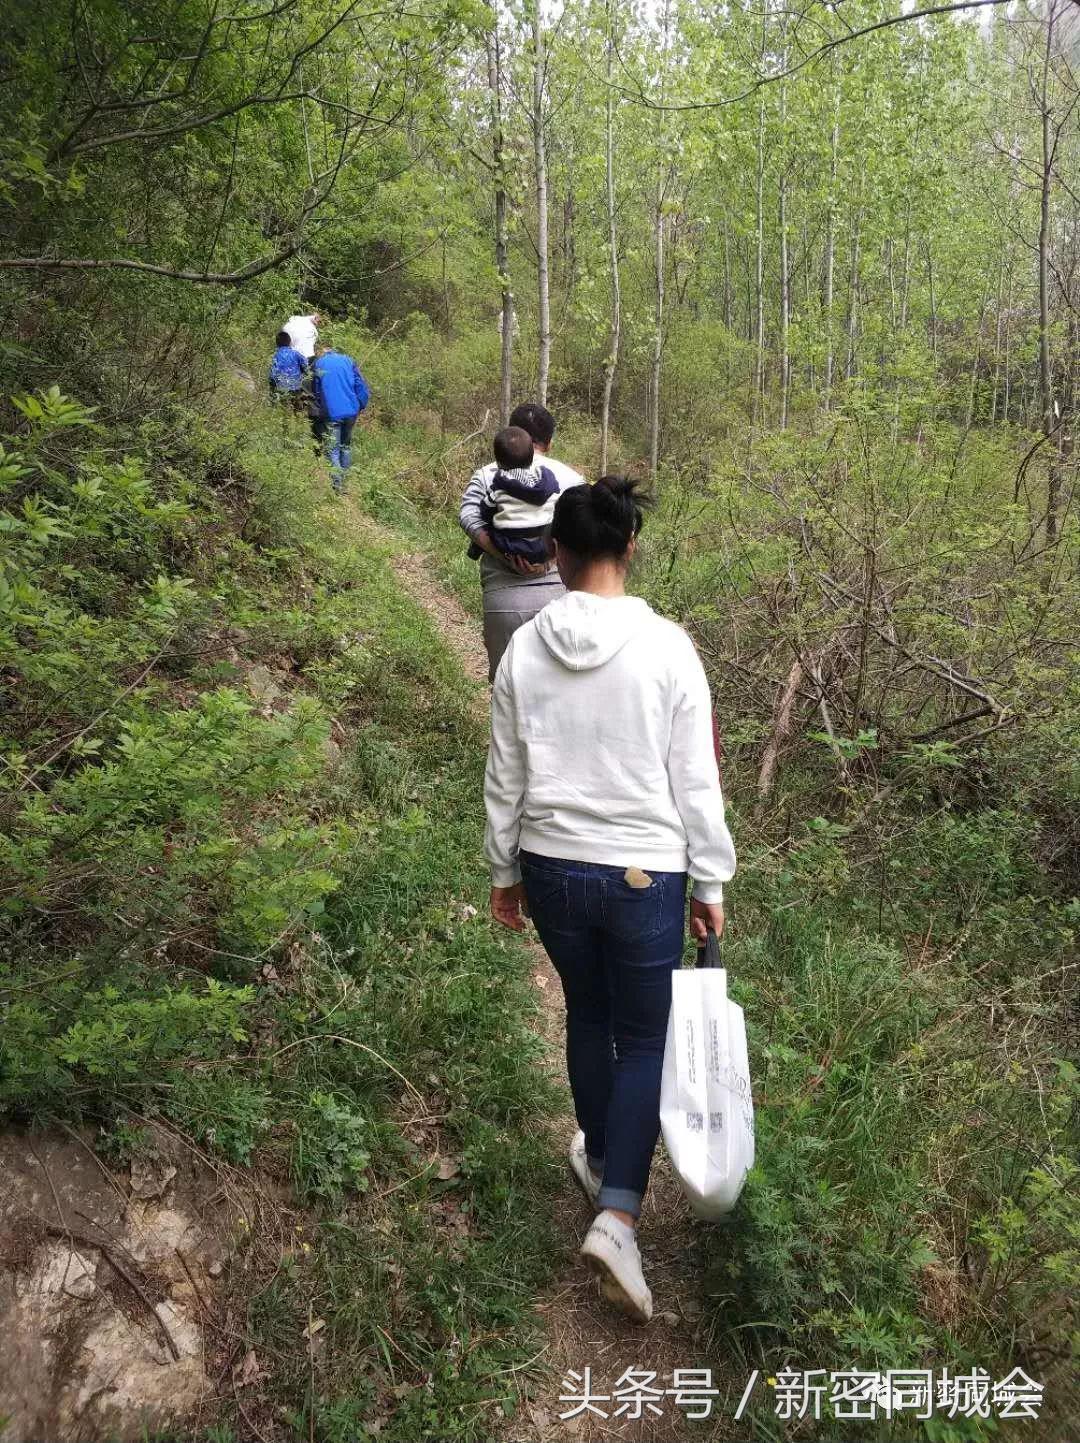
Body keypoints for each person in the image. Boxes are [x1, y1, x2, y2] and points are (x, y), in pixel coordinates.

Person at [483, 477, 736, 1324]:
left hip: (552, 865)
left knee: (588, 1014)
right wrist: (710, 878)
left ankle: (599, 1153)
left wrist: (502, 869)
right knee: (645, 1034)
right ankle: (619, 1213)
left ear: (554, 553)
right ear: (629, 547)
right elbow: (694, 778)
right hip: (643, 873)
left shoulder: (522, 648)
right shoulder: (668, 646)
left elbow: (505, 770)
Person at [459, 402, 584, 681]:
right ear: (548, 443)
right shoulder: (572, 479)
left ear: (510, 432)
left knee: (507, 684)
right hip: (560, 595)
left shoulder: (487, 474)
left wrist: (504, 554)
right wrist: (549, 559)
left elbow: (468, 517)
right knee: (558, 685)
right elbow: (584, 530)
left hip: (504, 598)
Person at [473, 426, 560, 567]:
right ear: (532, 457)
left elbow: (484, 511)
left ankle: (475, 551)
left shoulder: (498, 486)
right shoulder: (545, 478)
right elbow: (556, 494)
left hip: (512, 547)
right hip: (545, 546)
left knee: (488, 523)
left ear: (498, 463)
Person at [311, 343, 369, 494]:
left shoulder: (319, 363)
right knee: (345, 447)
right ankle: (345, 483)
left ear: (322, 352)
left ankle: (338, 486)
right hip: (351, 410)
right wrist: (360, 406)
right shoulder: (348, 360)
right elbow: (360, 385)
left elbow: (316, 391)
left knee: (333, 450)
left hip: (332, 412)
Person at [268, 330, 309, 412]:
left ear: (277, 343)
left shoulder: (275, 356)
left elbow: (272, 375)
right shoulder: (296, 354)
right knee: (297, 411)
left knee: (284, 410)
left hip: (281, 388)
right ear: (290, 342)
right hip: (296, 386)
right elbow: (306, 366)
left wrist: (272, 389)